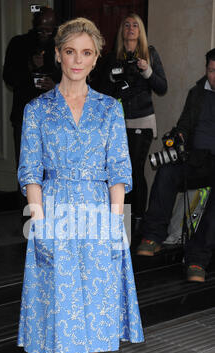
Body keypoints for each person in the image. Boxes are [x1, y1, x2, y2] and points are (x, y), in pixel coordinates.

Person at [17, 17, 144, 353]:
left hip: (97, 216)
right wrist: (37, 221)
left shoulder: (110, 109)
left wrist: (114, 225)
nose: (77, 59)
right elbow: (30, 170)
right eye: (69, 51)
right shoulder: (37, 110)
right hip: (54, 214)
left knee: (97, 307)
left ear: (95, 58)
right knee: (64, 304)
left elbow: (119, 172)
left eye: (86, 52)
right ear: (57, 54)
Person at [137, 48, 215, 283]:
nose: (214, 76)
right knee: (167, 169)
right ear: (206, 70)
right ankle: (152, 236)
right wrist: (178, 136)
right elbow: (184, 126)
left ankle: (197, 258)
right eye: (212, 71)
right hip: (195, 159)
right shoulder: (197, 93)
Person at [93, 12, 167, 239]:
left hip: (142, 121)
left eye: (135, 25)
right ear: (121, 30)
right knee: (118, 173)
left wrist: (146, 70)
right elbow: (100, 90)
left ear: (141, 31)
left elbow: (162, 87)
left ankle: (137, 222)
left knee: (134, 169)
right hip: (117, 124)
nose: (131, 29)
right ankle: (121, 222)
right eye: (127, 25)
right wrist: (114, 82)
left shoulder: (149, 54)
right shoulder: (112, 58)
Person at [3, 6, 60, 169]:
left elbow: (73, 79)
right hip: (24, 117)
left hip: (54, 118)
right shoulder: (18, 44)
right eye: (41, 30)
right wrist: (30, 66)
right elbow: (9, 78)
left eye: (49, 31)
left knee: (53, 170)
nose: (44, 34)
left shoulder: (61, 46)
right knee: (26, 170)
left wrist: (55, 86)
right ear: (34, 26)